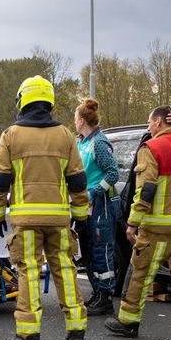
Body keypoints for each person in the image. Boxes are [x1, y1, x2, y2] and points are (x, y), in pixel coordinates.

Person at [0, 76, 90, 340]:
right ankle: (77, 328)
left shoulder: (11, 135)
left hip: (26, 220)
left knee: (29, 272)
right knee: (65, 271)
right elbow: (78, 182)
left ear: (23, 100)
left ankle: (28, 333)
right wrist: (81, 216)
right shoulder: (66, 135)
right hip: (58, 220)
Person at [105, 107, 171, 340]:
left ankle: (128, 322)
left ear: (159, 122)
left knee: (140, 274)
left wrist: (133, 222)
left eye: (150, 123)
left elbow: (146, 189)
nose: (148, 128)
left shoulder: (150, 149)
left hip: (156, 227)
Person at [74, 98, 119, 316]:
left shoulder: (98, 143)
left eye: (75, 119)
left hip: (100, 205)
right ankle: (97, 291)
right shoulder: (80, 141)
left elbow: (112, 173)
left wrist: (94, 192)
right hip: (85, 205)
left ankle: (106, 296)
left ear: (82, 120)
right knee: (89, 249)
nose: (74, 122)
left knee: (102, 250)